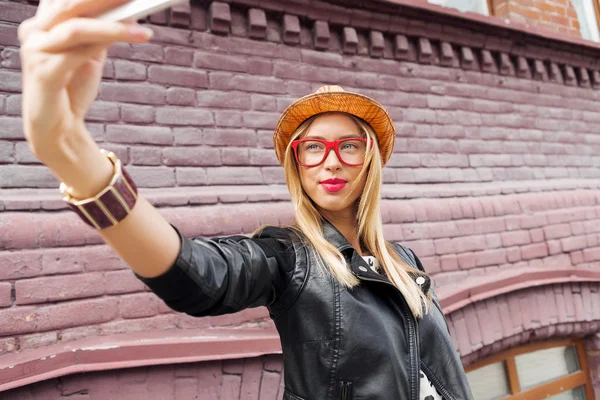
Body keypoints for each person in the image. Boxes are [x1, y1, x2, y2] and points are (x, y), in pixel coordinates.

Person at [18, 1, 474, 399]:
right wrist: (68, 149)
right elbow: (196, 275)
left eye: (348, 146)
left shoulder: (405, 261)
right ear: (296, 164)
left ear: (370, 160)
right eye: (313, 147)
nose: (330, 162)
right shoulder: (289, 259)